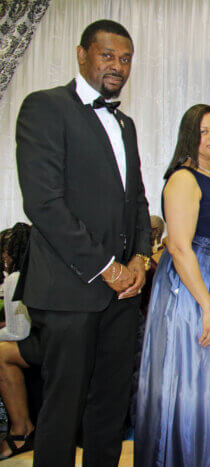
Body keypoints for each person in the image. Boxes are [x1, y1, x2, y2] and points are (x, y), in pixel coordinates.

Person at [14, 19, 151, 466]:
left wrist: (140, 260)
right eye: (107, 55)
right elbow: (44, 204)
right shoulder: (44, 107)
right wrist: (108, 267)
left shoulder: (125, 123)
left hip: (122, 295)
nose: (117, 65)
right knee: (62, 410)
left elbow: (137, 202)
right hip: (70, 291)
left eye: (125, 58)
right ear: (81, 54)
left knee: (110, 410)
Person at [135, 104, 210, 466]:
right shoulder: (183, 179)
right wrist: (208, 307)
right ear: (190, 136)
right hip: (190, 294)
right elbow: (180, 247)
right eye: (205, 131)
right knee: (191, 378)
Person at [0, 223, 33, 460]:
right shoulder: (37, 271)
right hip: (56, 341)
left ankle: (21, 428)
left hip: (38, 344)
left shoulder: (15, 278)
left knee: (1, 353)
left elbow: (18, 332)